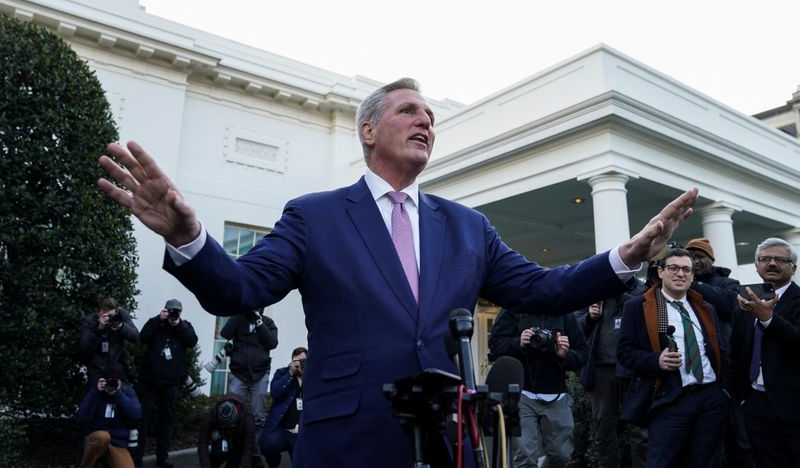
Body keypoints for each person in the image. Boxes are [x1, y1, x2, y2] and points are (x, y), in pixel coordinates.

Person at [98, 77, 699, 467]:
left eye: (431, 116)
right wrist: (188, 238)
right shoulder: (314, 216)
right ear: (368, 131)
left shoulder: (467, 225)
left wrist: (630, 254)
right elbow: (238, 289)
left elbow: (544, 288)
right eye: (409, 110)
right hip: (345, 442)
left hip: (445, 442)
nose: (426, 121)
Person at [617, 247, 730, 468]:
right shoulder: (638, 307)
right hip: (670, 399)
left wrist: (724, 391)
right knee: (662, 462)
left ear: (693, 275)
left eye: (687, 270)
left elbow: (720, 349)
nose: (681, 274)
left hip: (710, 398)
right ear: (660, 272)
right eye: (674, 268)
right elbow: (624, 352)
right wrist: (655, 361)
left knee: (707, 463)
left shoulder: (705, 307)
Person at [488, 310, 588, 468]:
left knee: (561, 457)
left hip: (557, 395)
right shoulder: (514, 309)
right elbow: (495, 345)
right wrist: (518, 342)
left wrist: (564, 355)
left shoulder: (565, 315)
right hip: (523, 394)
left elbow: (582, 355)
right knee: (525, 458)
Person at [732, 237, 800, 467]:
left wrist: (768, 318)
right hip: (755, 403)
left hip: (793, 404)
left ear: (793, 267)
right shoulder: (747, 302)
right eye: (765, 259)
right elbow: (739, 349)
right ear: (756, 265)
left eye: (780, 260)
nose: (771, 263)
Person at [684, 237, 751, 468]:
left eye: (699, 257)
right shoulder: (680, 284)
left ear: (711, 259)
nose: (695, 261)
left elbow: (728, 304)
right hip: (693, 370)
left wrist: (693, 284)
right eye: (690, 257)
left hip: (724, 369)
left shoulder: (728, 283)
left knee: (736, 436)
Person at [576, 283, 648, 468]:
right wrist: (589, 318)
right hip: (601, 370)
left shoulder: (639, 291)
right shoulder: (593, 294)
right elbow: (574, 328)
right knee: (604, 428)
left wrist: (622, 296)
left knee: (639, 428)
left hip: (632, 368)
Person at [134, 299, 198, 468]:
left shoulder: (184, 326)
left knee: (166, 421)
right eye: (170, 311)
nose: (173, 315)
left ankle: (162, 458)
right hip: (149, 380)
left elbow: (192, 341)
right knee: (142, 419)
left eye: (176, 312)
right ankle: (137, 458)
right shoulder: (156, 323)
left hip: (170, 382)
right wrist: (157, 319)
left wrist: (179, 325)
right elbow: (144, 337)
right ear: (165, 310)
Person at [220, 308, 278, 452]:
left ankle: (254, 449)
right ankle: (234, 448)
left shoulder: (267, 322)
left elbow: (272, 343)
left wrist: (258, 321)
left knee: (258, 415)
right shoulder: (239, 320)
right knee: (233, 413)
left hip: (260, 374)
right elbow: (225, 334)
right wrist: (239, 312)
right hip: (239, 374)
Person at [76, 362, 142, 468]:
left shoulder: (127, 393)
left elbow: (136, 415)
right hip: (96, 439)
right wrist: (95, 392)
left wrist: (118, 395)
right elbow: (80, 417)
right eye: (109, 380)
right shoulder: (97, 392)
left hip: (117, 443)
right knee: (103, 436)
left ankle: (103, 462)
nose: (112, 383)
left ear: (121, 381)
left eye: (116, 380)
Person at [259, 347, 307, 468]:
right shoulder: (282, 373)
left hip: (302, 433)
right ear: (291, 361)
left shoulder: (313, 377)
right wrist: (290, 374)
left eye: (303, 361)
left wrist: (306, 374)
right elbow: (275, 392)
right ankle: (274, 463)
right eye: (296, 361)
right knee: (267, 444)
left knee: (301, 462)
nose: (299, 364)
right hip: (283, 429)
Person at [79, 297, 139, 387]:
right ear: (98, 313)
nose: (109, 319)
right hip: (96, 370)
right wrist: (99, 329)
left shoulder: (121, 316)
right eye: (105, 316)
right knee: (94, 398)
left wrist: (121, 327)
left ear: (117, 311)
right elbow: (84, 349)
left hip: (117, 369)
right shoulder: (90, 321)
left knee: (123, 398)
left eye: (111, 315)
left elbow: (136, 338)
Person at [197, 394, 256, 468]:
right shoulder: (210, 414)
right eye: (224, 425)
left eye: (231, 425)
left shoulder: (247, 418)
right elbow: (202, 444)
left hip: (238, 447)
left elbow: (248, 449)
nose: (227, 428)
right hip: (220, 442)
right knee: (216, 455)